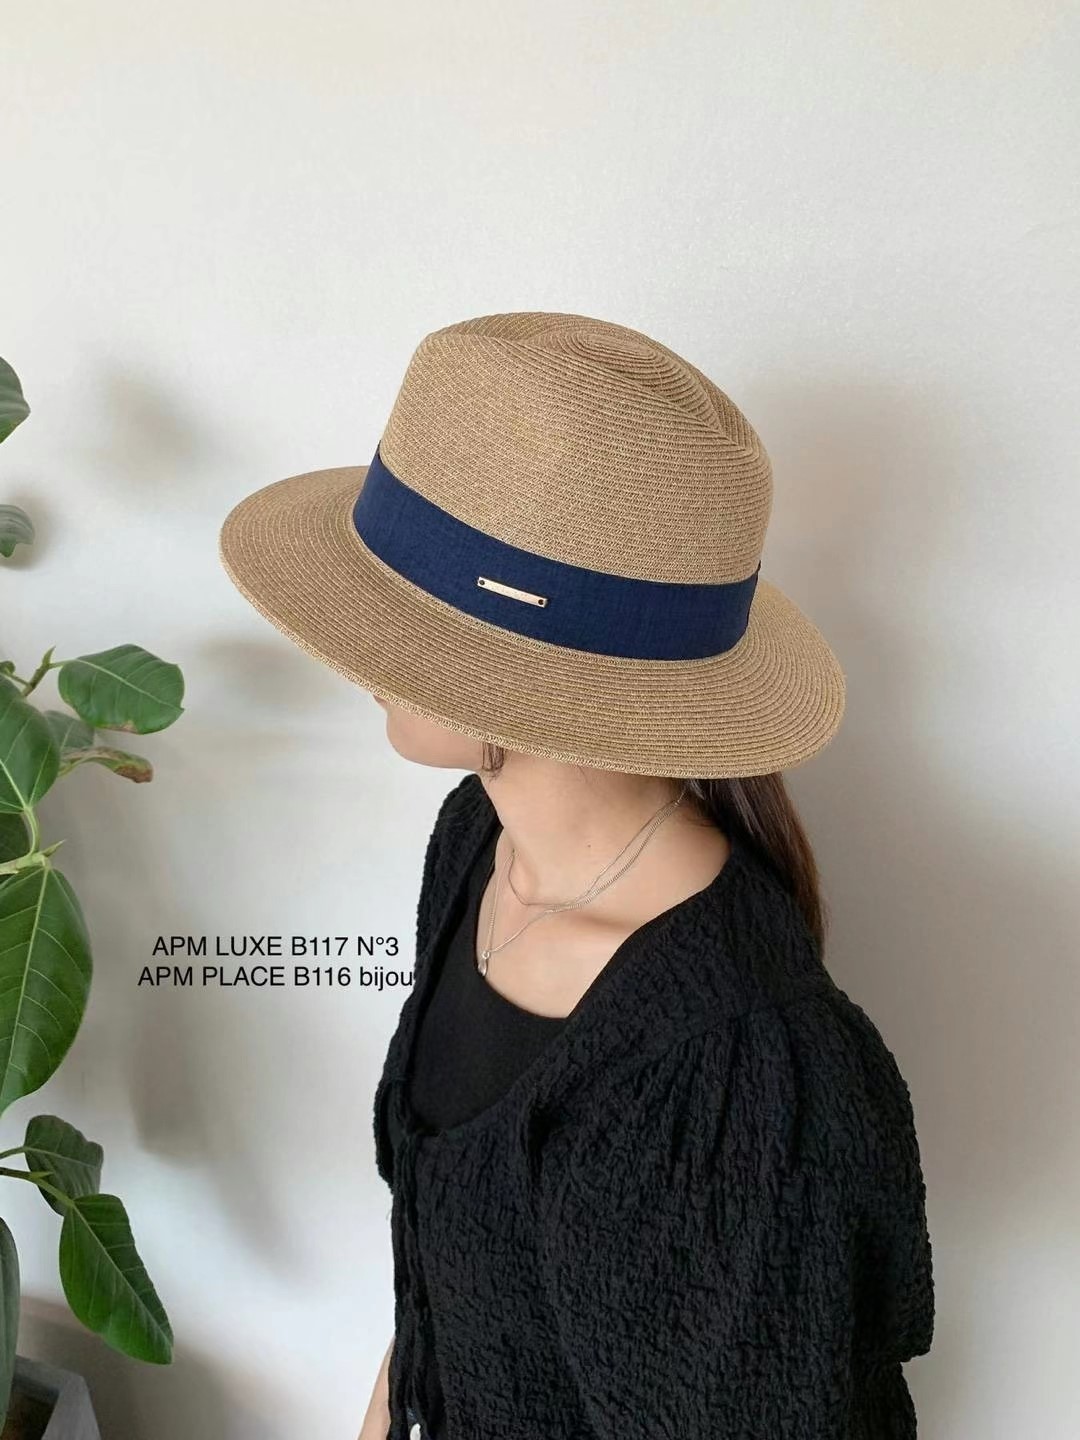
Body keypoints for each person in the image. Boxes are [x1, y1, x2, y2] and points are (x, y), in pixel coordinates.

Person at [218, 310, 935, 1440]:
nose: (356, 653)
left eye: (407, 612)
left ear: (535, 671)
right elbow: (451, 1274)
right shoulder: (480, 843)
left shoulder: (727, 1063)